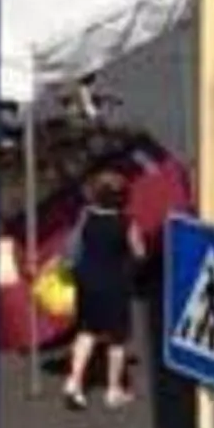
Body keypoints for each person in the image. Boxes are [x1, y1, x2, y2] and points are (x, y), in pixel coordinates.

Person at [64, 167, 146, 410]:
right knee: (117, 340)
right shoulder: (125, 222)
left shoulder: (86, 216)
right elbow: (139, 252)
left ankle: (75, 383)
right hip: (114, 284)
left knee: (86, 333)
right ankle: (113, 391)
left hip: (87, 280)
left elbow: (73, 246)